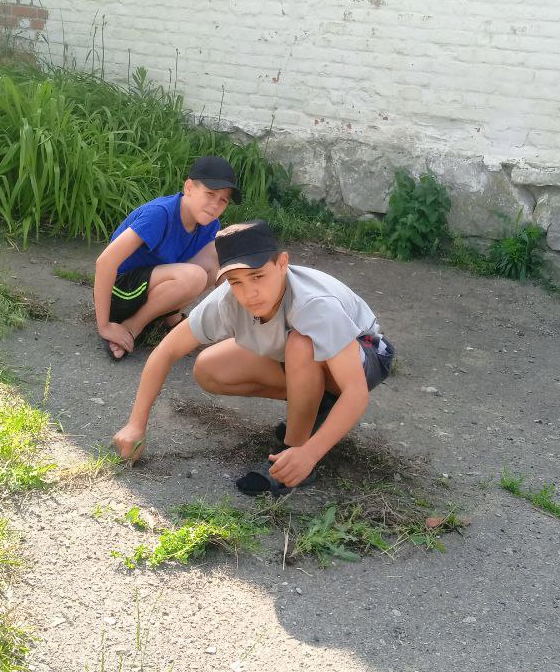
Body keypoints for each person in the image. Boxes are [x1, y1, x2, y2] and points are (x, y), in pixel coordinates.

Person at [112, 219, 395, 494]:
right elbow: (167, 351)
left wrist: (310, 453)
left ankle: (294, 452)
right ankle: (317, 404)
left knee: (301, 344)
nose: (249, 293)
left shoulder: (314, 304)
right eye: (236, 281)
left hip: (365, 353)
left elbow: (356, 392)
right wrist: (136, 424)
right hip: (300, 357)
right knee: (209, 368)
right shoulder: (227, 299)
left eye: (257, 276)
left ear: (282, 263)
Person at [94, 155, 241, 361]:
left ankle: (170, 317)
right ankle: (131, 327)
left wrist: (240, 327)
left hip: (148, 286)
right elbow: (105, 262)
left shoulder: (210, 224)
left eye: (223, 200)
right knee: (194, 276)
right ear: (189, 188)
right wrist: (103, 326)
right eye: (210, 194)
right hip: (118, 293)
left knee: (217, 254)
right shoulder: (160, 214)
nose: (215, 205)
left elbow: (222, 278)